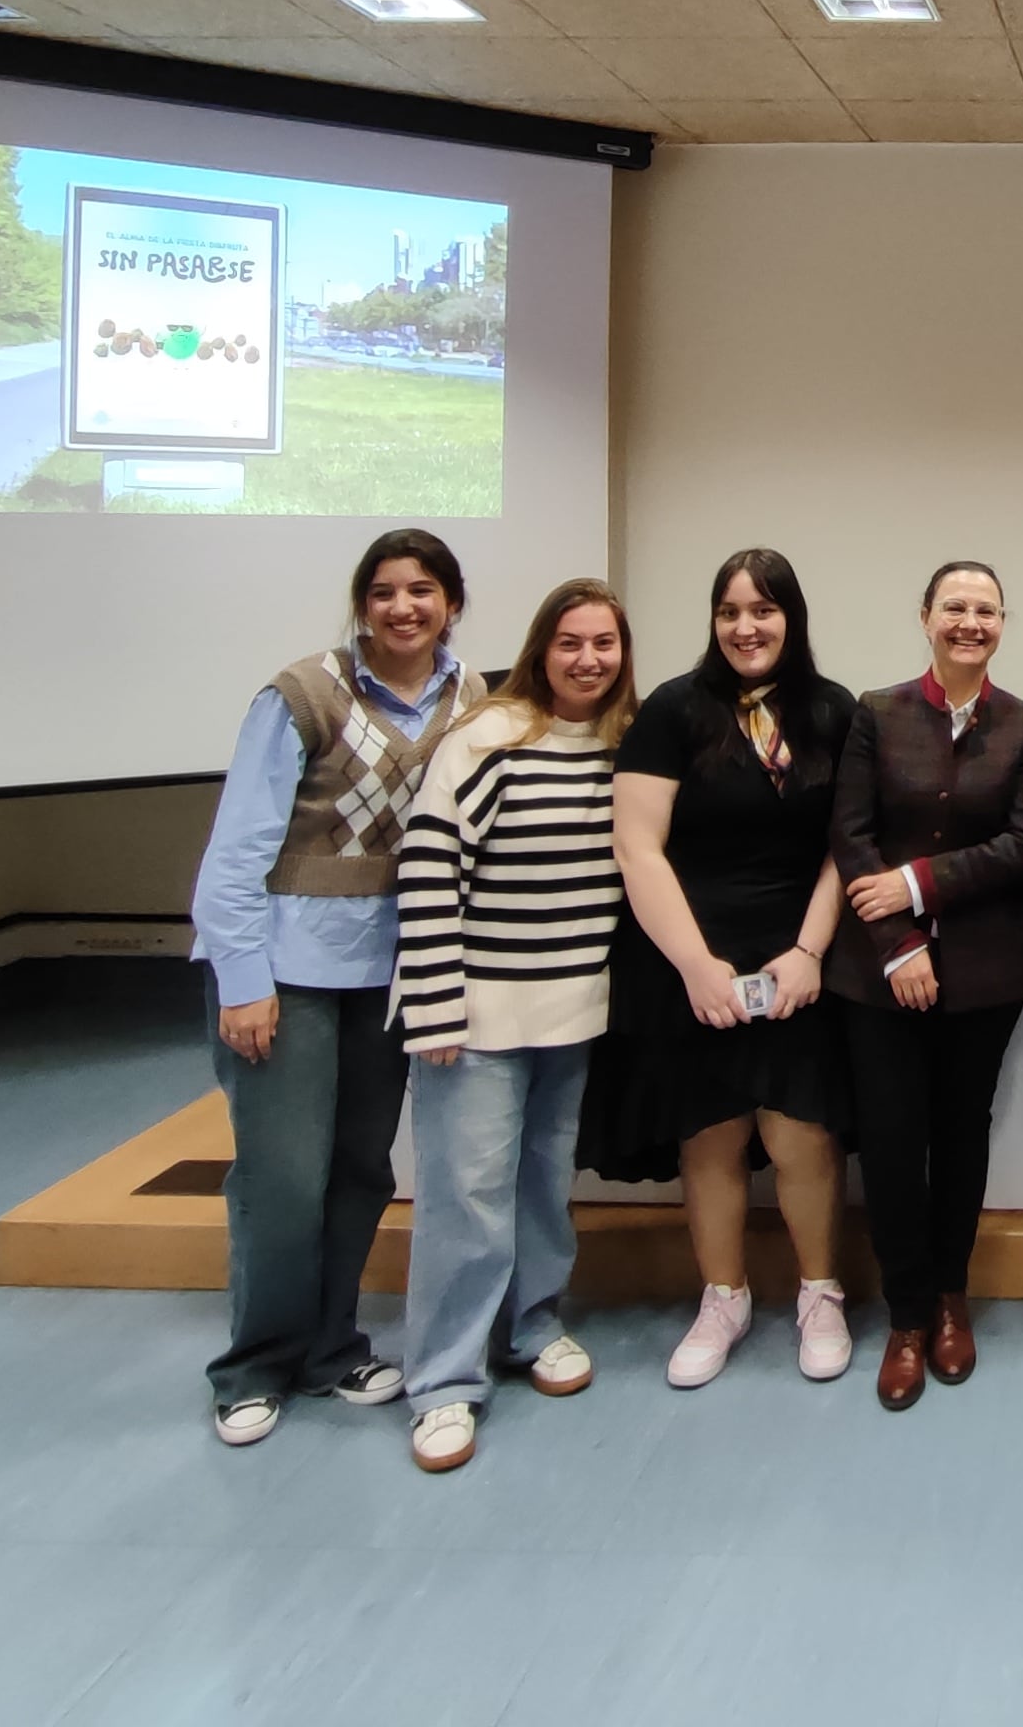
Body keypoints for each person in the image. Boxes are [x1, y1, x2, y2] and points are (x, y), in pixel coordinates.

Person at [188, 529, 484, 1450]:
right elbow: (237, 850)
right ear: (362, 604)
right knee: (282, 1178)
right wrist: (243, 981)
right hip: (286, 976)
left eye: (423, 590)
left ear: (452, 604)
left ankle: (331, 1346)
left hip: (392, 976)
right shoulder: (303, 694)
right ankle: (254, 1365)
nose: (404, 608)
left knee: (360, 1171)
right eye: (385, 592)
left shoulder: (470, 699)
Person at [583, 550, 861, 1390]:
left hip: (800, 956)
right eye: (730, 612)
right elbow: (637, 845)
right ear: (713, 622)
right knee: (712, 1132)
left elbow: (849, 846)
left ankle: (821, 1295)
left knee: (800, 1130)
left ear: (792, 618)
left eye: (764, 611)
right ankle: (724, 1298)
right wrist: (696, 966)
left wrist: (811, 950)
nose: (747, 627)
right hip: (687, 954)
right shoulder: (673, 709)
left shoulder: (832, 710)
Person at [391, 578, 635, 1474]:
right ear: (541, 649)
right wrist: (436, 1005)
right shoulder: (489, 740)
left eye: (604, 644)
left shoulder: (617, 746)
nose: (587, 660)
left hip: (571, 1014)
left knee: (540, 1186)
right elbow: (428, 870)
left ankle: (534, 1326)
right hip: (478, 1017)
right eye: (570, 642)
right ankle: (445, 1383)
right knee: (465, 1196)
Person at [828, 560, 1023, 1411]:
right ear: (925, 617)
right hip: (877, 973)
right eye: (954, 607)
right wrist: (896, 942)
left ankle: (953, 1297)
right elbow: (851, 838)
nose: (970, 621)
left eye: (986, 609)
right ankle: (906, 1315)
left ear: (1003, 622)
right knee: (890, 1143)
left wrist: (917, 884)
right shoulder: (875, 713)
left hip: (985, 971)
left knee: (961, 1136)